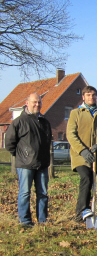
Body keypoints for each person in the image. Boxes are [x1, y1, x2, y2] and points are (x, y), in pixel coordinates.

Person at [5, 93, 52, 227]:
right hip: (25, 164)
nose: (37, 105)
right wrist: (21, 155)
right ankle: (25, 221)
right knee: (25, 192)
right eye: (34, 102)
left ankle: (42, 220)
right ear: (27, 103)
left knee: (43, 193)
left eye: (39, 102)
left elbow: (47, 141)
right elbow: (9, 143)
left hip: (42, 163)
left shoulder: (45, 122)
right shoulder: (19, 122)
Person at [67, 86, 97, 222]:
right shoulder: (76, 113)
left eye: (93, 95)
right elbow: (71, 134)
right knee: (85, 177)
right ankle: (81, 211)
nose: (91, 97)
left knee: (91, 181)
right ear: (83, 97)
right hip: (79, 154)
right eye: (88, 95)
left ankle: (85, 212)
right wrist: (82, 150)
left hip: (94, 155)